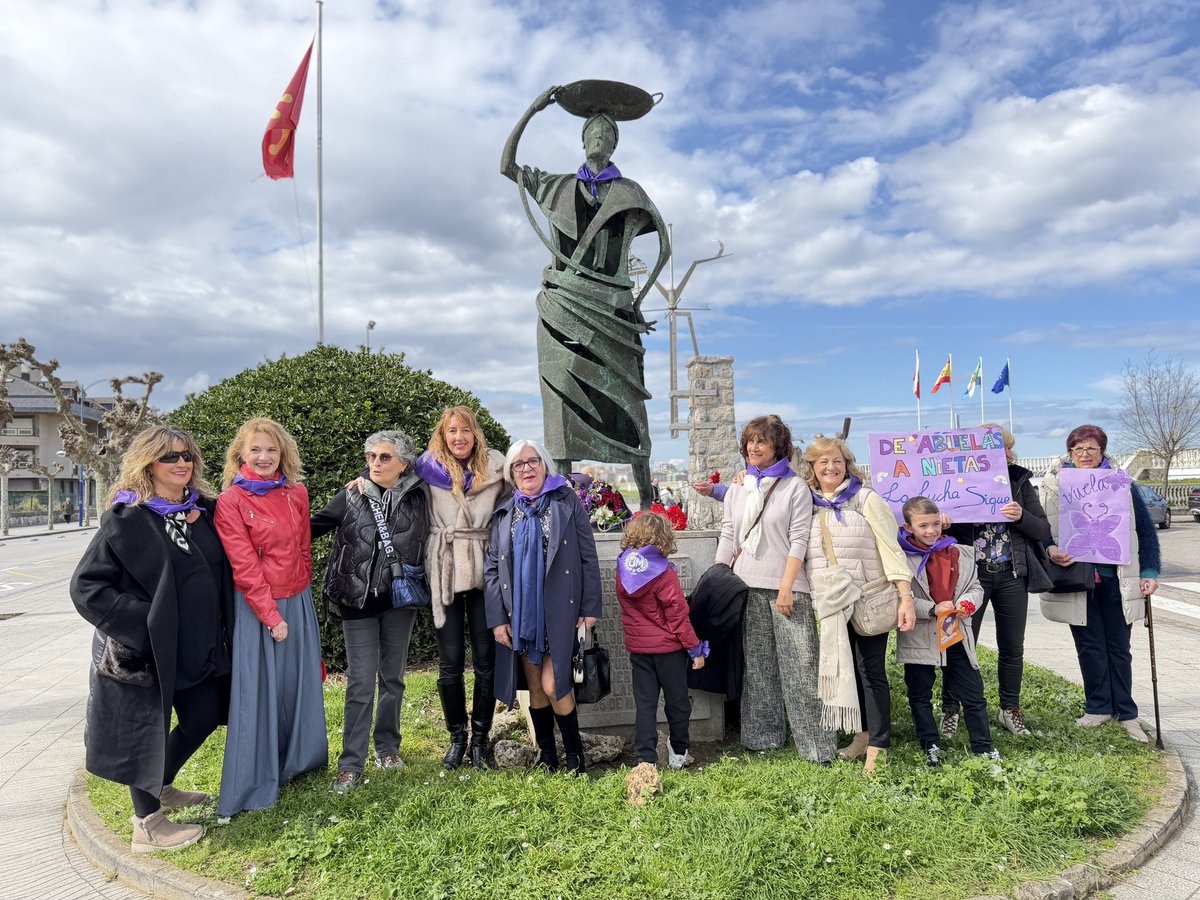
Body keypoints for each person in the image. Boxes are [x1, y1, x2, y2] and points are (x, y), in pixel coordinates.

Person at [500, 85, 670, 507]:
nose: (600, 140)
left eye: (608, 135)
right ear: (582, 140)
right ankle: (563, 501)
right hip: (562, 306)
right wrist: (533, 109)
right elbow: (507, 165)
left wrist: (636, 300)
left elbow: (665, 246)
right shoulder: (556, 187)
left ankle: (647, 503)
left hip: (612, 311)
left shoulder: (630, 192)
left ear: (615, 144)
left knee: (629, 404)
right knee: (560, 396)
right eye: (593, 133)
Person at [71, 426, 233, 852]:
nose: (182, 464)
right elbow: (87, 588)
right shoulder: (129, 518)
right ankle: (147, 825)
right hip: (146, 650)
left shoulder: (203, 511)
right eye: (170, 458)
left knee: (206, 712)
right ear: (148, 464)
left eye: (187, 456)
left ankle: (161, 784)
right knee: (147, 730)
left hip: (198, 646)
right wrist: (150, 622)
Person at [213, 418, 327, 816]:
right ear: (240, 454)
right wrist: (271, 616)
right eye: (255, 450)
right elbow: (244, 568)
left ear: (283, 454)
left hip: (298, 599)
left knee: (299, 683)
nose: (263, 457)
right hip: (258, 606)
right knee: (258, 693)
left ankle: (300, 761)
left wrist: (303, 593)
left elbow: (302, 549)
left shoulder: (297, 493)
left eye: (271, 450)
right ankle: (254, 784)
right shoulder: (231, 502)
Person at [311, 430, 429, 794]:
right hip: (356, 601)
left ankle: (388, 749)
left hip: (398, 600)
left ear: (404, 464)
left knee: (392, 679)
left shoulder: (422, 497)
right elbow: (308, 528)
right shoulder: (351, 494)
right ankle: (350, 765)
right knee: (360, 683)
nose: (375, 463)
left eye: (385, 457)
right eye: (372, 456)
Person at [714, 415, 833, 760]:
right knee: (759, 667)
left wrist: (786, 587)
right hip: (745, 586)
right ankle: (763, 737)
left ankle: (815, 745)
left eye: (762, 441)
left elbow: (799, 541)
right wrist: (721, 574)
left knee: (801, 667)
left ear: (778, 447)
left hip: (788, 588)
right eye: (751, 441)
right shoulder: (739, 487)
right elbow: (728, 533)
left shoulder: (795, 487)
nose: (754, 447)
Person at [484, 440, 602, 775]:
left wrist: (591, 606)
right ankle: (548, 757)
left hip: (559, 611)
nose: (526, 468)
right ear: (511, 472)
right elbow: (492, 566)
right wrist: (497, 619)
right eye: (518, 464)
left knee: (554, 684)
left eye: (532, 461)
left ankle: (576, 756)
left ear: (544, 464)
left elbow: (587, 555)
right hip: (520, 612)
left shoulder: (567, 502)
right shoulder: (506, 509)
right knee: (534, 685)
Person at [801, 436, 916, 774]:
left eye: (836, 461)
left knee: (871, 671)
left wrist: (905, 595)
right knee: (844, 670)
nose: (830, 467)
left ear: (846, 464)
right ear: (812, 468)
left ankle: (879, 744)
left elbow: (891, 549)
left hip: (867, 598)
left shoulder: (866, 499)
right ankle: (861, 735)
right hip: (831, 603)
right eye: (822, 462)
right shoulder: (807, 504)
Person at [1040, 425, 1161, 743]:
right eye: (1078, 449)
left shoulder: (1122, 483)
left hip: (1117, 579)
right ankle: (1098, 707)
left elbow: (1145, 531)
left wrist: (1149, 571)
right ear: (1069, 452)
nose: (1084, 455)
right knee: (1089, 646)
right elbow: (1040, 530)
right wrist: (1049, 550)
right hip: (1075, 579)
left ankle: (1127, 712)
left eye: (1091, 449)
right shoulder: (1053, 486)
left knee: (1119, 647)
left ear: (1103, 452)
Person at [939, 425, 1052, 740]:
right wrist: (943, 521)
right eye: (986, 450)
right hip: (969, 577)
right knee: (958, 643)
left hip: (1010, 574)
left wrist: (1020, 516)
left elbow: (1042, 531)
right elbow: (931, 532)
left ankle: (1009, 708)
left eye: (1001, 448)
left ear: (1008, 451)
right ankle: (951, 708)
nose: (996, 454)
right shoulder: (955, 480)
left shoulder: (1019, 481)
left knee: (1012, 647)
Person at [415, 405, 510, 770]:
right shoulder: (427, 469)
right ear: (443, 434)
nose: (459, 437)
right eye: (452, 430)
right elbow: (387, 474)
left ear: (476, 434)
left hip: (485, 568)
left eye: (465, 430)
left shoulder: (497, 468)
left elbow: (528, 487)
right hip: (446, 570)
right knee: (450, 663)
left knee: (486, 662)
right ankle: (457, 738)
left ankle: (481, 741)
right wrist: (363, 479)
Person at [897, 497, 996, 766]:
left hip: (956, 633)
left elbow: (976, 587)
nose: (931, 531)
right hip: (920, 634)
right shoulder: (901, 558)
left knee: (974, 693)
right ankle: (930, 744)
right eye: (923, 526)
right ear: (908, 527)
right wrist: (931, 608)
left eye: (935, 524)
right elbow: (900, 597)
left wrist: (969, 603)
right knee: (920, 693)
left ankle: (983, 747)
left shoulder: (962, 552)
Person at [616, 511, 707, 769]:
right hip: (668, 651)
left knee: (645, 706)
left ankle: (646, 759)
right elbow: (678, 618)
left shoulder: (623, 567)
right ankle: (678, 752)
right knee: (678, 704)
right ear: (664, 539)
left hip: (639, 651)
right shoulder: (664, 574)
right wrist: (695, 650)